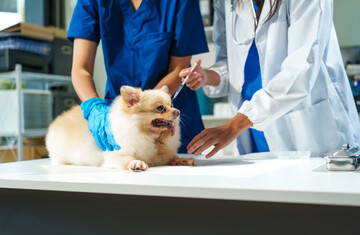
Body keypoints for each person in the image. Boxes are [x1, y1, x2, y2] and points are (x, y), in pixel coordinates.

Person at [180, 0, 360, 158]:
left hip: (306, 131)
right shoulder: (227, 2)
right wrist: (208, 76)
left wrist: (232, 127)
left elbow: (301, 69)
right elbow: (230, 64)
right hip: (254, 134)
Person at [67, 0, 208, 152]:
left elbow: (178, 69)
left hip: (170, 124)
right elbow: (81, 69)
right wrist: (94, 106)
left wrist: (151, 110)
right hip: (121, 123)